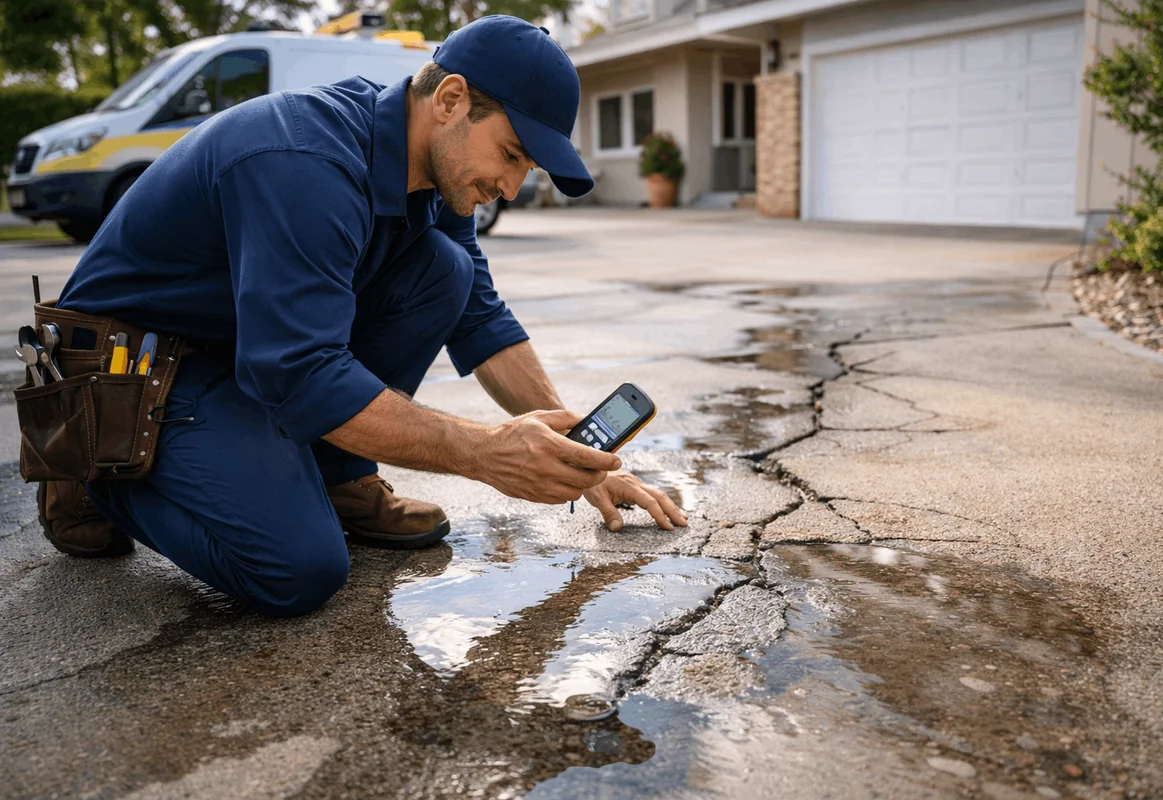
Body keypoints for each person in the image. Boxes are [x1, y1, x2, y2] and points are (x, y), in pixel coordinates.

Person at [42, 15, 687, 617]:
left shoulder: (435, 176)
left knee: (448, 272)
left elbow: (480, 317)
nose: (513, 187)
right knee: (298, 570)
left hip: (239, 346)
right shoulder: (305, 164)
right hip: (133, 366)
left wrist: (574, 454)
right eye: (513, 154)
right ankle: (98, 469)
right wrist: (484, 452)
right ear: (451, 100)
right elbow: (302, 375)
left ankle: (337, 475)